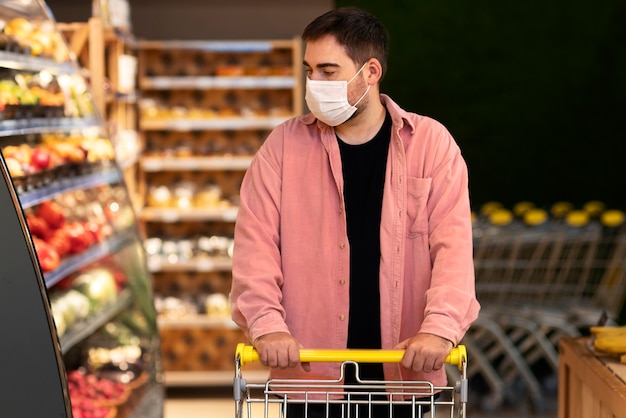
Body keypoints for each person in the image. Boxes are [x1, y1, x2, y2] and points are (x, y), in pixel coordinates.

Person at [230, 6, 480, 417]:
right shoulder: (282, 147)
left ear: (371, 72)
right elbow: (254, 246)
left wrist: (439, 331)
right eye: (309, 71)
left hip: (405, 373)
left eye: (328, 71)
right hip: (311, 377)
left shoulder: (431, 145)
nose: (315, 84)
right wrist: (267, 324)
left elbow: (453, 250)